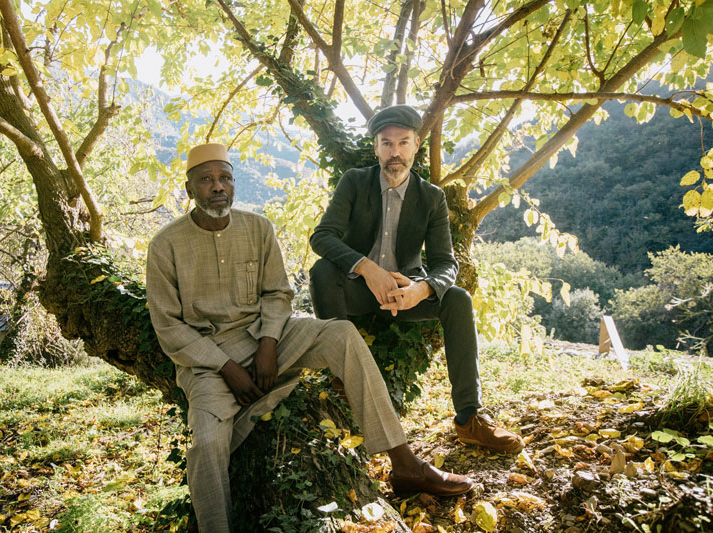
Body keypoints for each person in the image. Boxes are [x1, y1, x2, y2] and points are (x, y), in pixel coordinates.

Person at [146, 143, 475, 533]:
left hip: (267, 336)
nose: (218, 187)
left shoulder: (258, 228)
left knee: (341, 334)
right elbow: (169, 326)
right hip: (209, 361)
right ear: (190, 190)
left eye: (225, 178)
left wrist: (268, 344)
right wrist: (227, 367)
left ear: (234, 185)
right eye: (206, 180)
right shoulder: (165, 244)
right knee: (205, 442)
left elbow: (278, 294)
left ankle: (404, 463)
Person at [309, 105, 525, 455]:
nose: (395, 153)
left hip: (405, 296)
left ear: (416, 146)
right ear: (376, 147)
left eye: (403, 143)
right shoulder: (354, 181)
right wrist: (367, 268)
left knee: (457, 299)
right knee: (321, 272)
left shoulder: (432, 197)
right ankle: (341, 383)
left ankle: (469, 418)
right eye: (387, 144)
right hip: (357, 292)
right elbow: (322, 237)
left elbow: (445, 263)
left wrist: (419, 290)